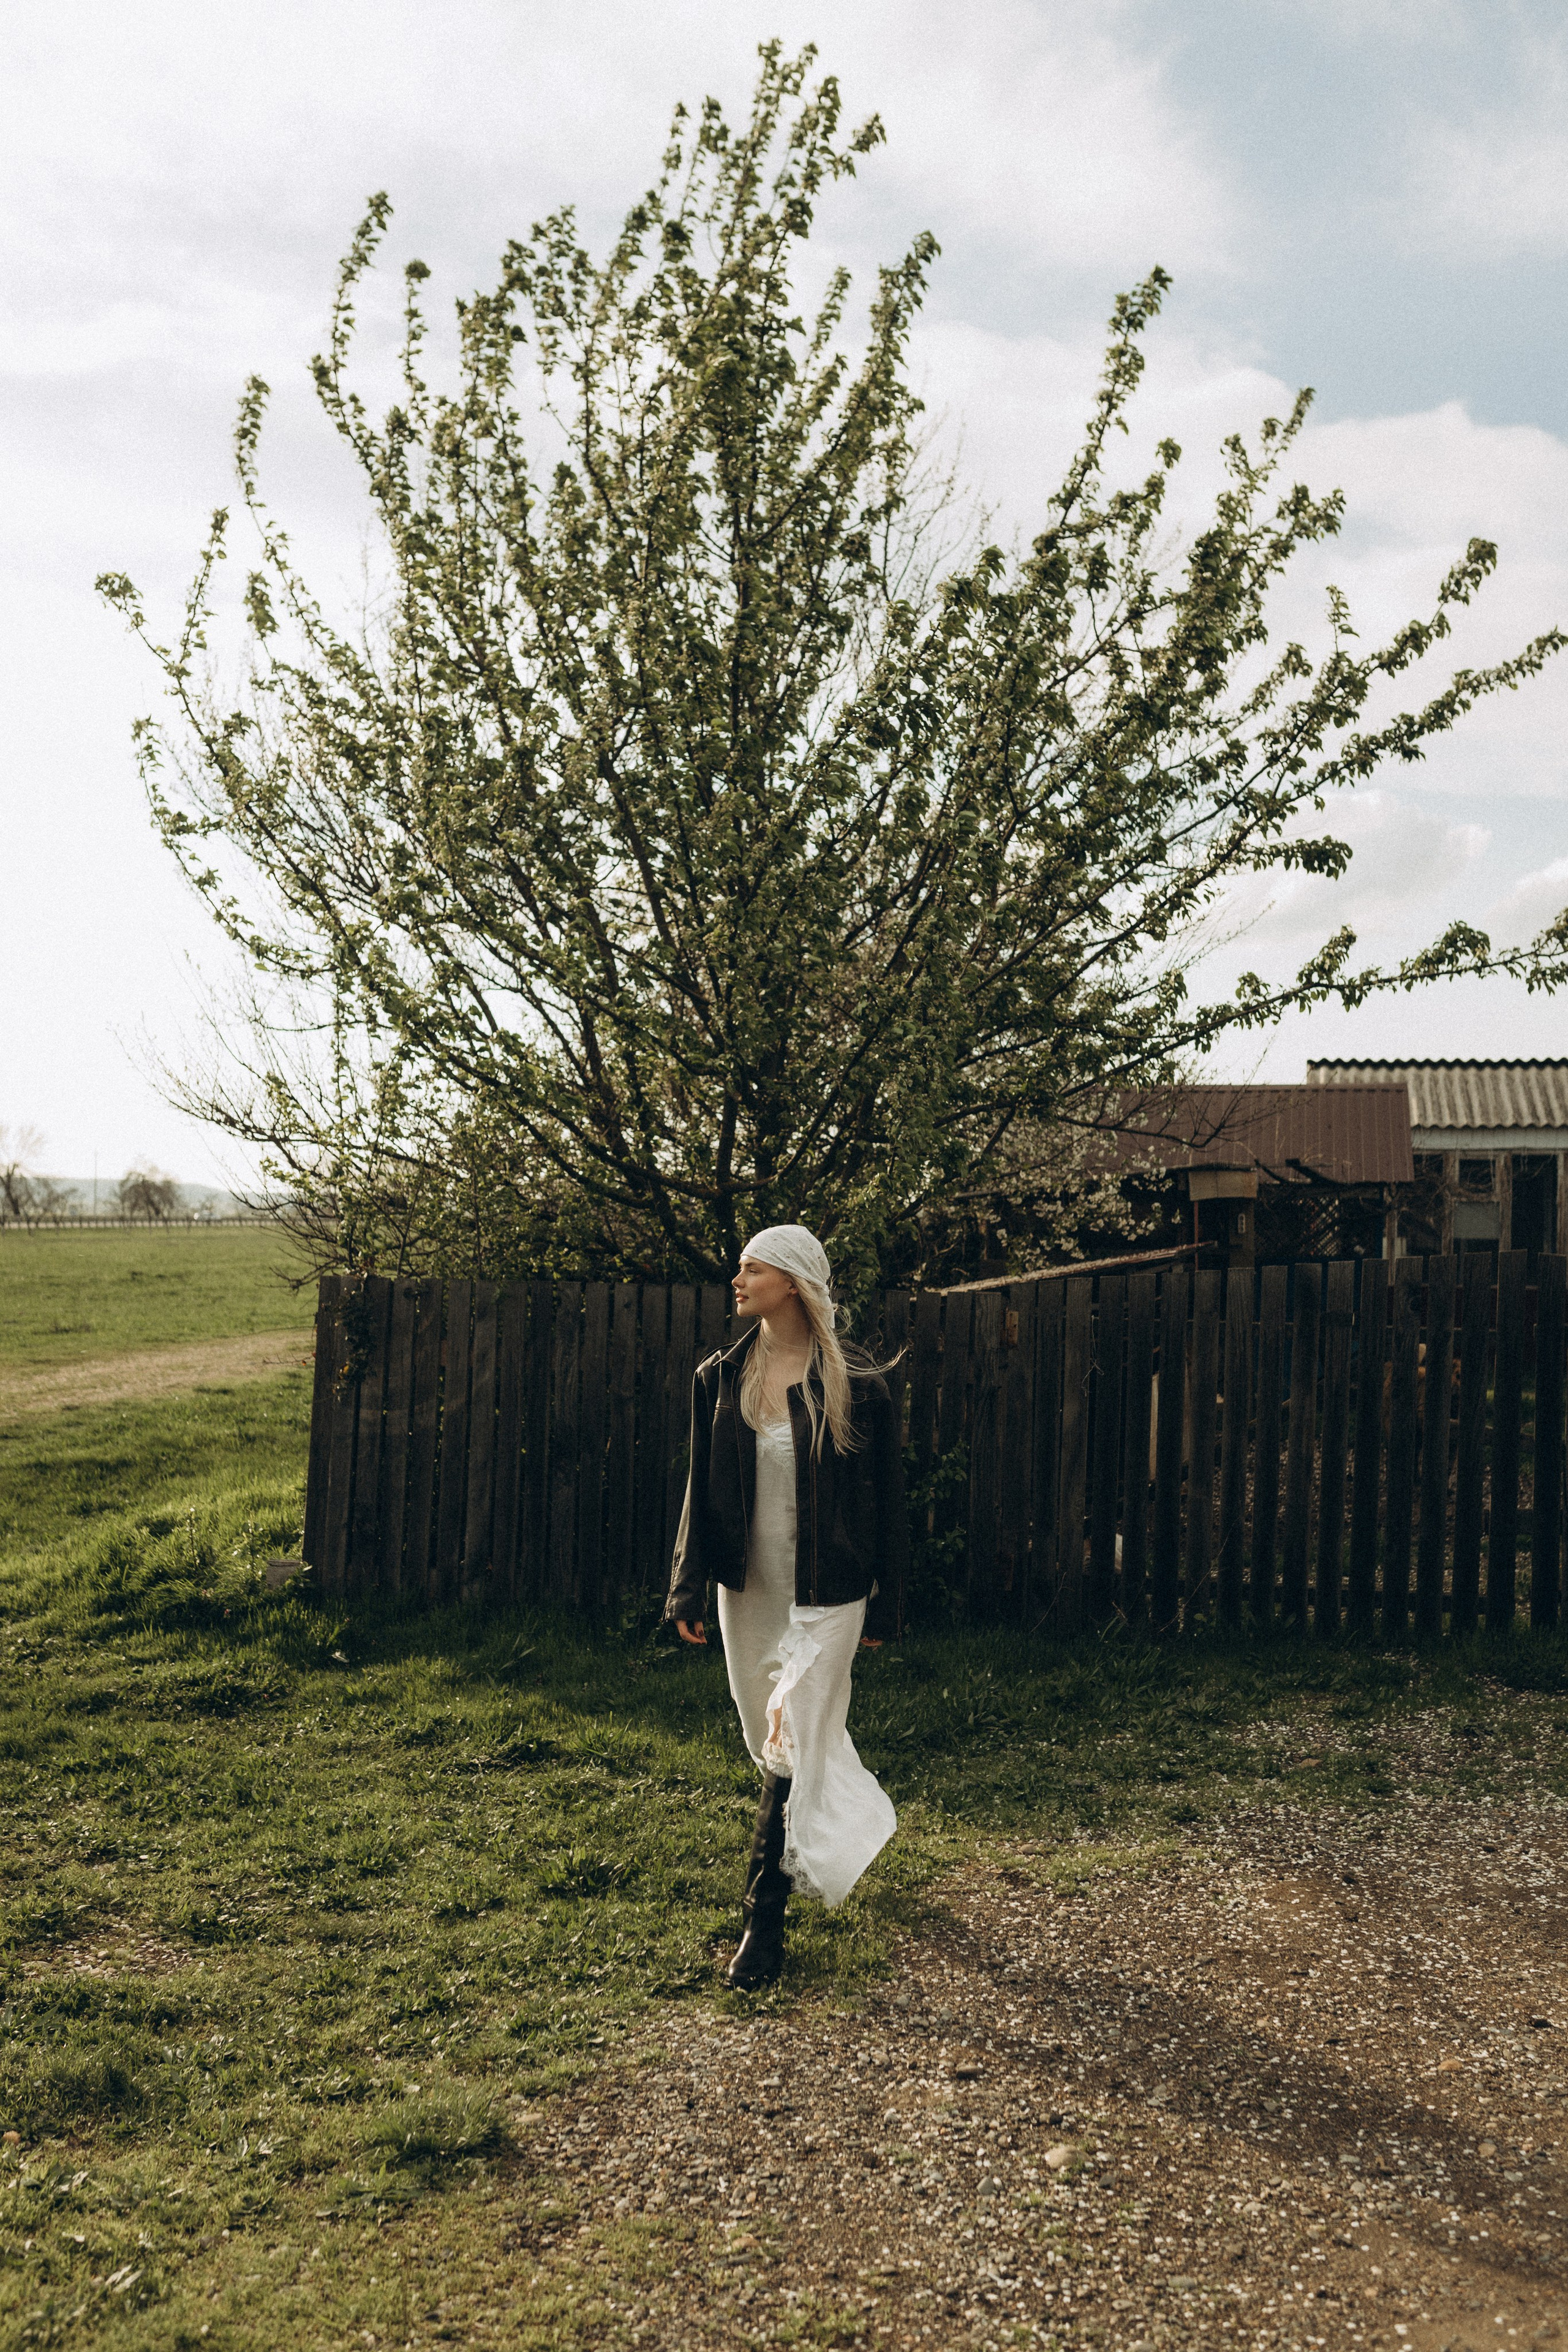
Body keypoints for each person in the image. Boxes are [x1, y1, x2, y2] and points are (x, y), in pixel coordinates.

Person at [665, 1224, 905, 1989]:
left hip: (830, 1590)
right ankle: (837, 1830)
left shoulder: (856, 1385)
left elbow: (888, 1504)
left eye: (751, 1268)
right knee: (766, 1730)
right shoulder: (719, 1374)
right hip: (750, 1587)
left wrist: (889, 1601)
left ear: (793, 1282)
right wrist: (686, 1582)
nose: (736, 1280)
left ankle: (761, 1921)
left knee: (792, 1729)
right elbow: (700, 1488)